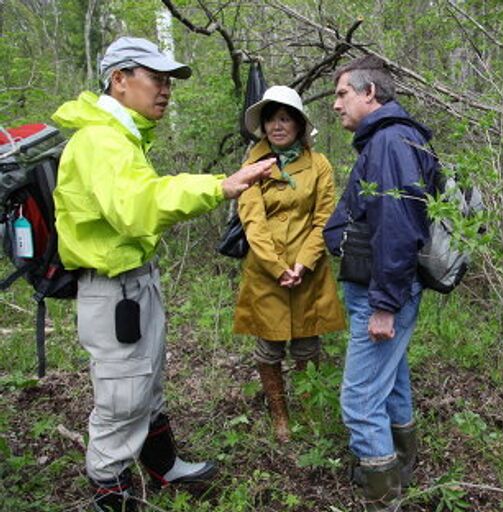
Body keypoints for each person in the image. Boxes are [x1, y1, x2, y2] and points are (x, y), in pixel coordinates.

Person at [52, 36, 274, 512]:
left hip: (134, 283)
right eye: (156, 78)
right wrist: (220, 186)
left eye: (169, 81)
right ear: (119, 79)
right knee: (121, 396)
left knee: (145, 380)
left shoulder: (123, 136)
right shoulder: (99, 140)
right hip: (112, 292)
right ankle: (110, 492)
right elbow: (137, 206)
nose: (166, 90)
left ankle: (162, 465)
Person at [323, 55, 440, 511]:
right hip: (377, 286)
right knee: (390, 382)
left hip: (381, 290)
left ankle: (383, 496)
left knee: (358, 399)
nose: (335, 105)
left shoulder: (391, 142)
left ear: (369, 93)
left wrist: (384, 304)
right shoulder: (390, 139)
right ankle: (400, 463)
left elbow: (398, 226)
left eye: (342, 93)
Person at [233, 85, 345, 443]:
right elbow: (252, 220)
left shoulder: (319, 164)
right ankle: (280, 416)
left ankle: (309, 415)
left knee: (307, 348)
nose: (277, 126)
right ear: (263, 126)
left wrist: (302, 264)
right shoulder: (252, 165)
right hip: (266, 273)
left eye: (284, 119)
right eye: (271, 119)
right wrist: (277, 267)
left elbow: (324, 218)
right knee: (268, 349)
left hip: (308, 272)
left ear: (298, 124)